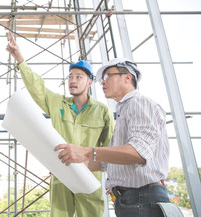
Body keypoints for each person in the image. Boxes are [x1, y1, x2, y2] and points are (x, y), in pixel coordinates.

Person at [6, 31, 114, 217]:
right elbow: (36, 87)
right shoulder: (57, 103)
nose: (72, 80)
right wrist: (20, 59)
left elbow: (111, 148)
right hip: (61, 175)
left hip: (89, 177)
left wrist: (112, 180)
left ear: (89, 82)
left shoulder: (103, 111)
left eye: (78, 77)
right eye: (70, 76)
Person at [55, 58, 171, 216]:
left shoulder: (140, 103)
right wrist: (68, 163)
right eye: (102, 78)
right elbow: (111, 163)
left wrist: (86, 151)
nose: (102, 82)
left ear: (127, 77)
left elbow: (138, 153)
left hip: (142, 198)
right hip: (131, 199)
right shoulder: (125, 109)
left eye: (108, 75)